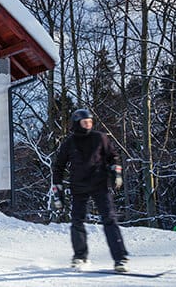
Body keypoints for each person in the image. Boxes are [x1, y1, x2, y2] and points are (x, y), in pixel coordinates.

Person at [52, 108, 129, 272]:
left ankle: (120, 259)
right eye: (84, 122)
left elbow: (113, 156)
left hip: (99, 184)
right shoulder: (69, 143)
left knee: (109, 219)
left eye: (90, 122)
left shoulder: (100, 138)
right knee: (77, 221)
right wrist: (57, 191)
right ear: (77, 123)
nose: (88, 124)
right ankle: (80, 257)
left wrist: (116, 172)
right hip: (78, 187)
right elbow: (58, 167)